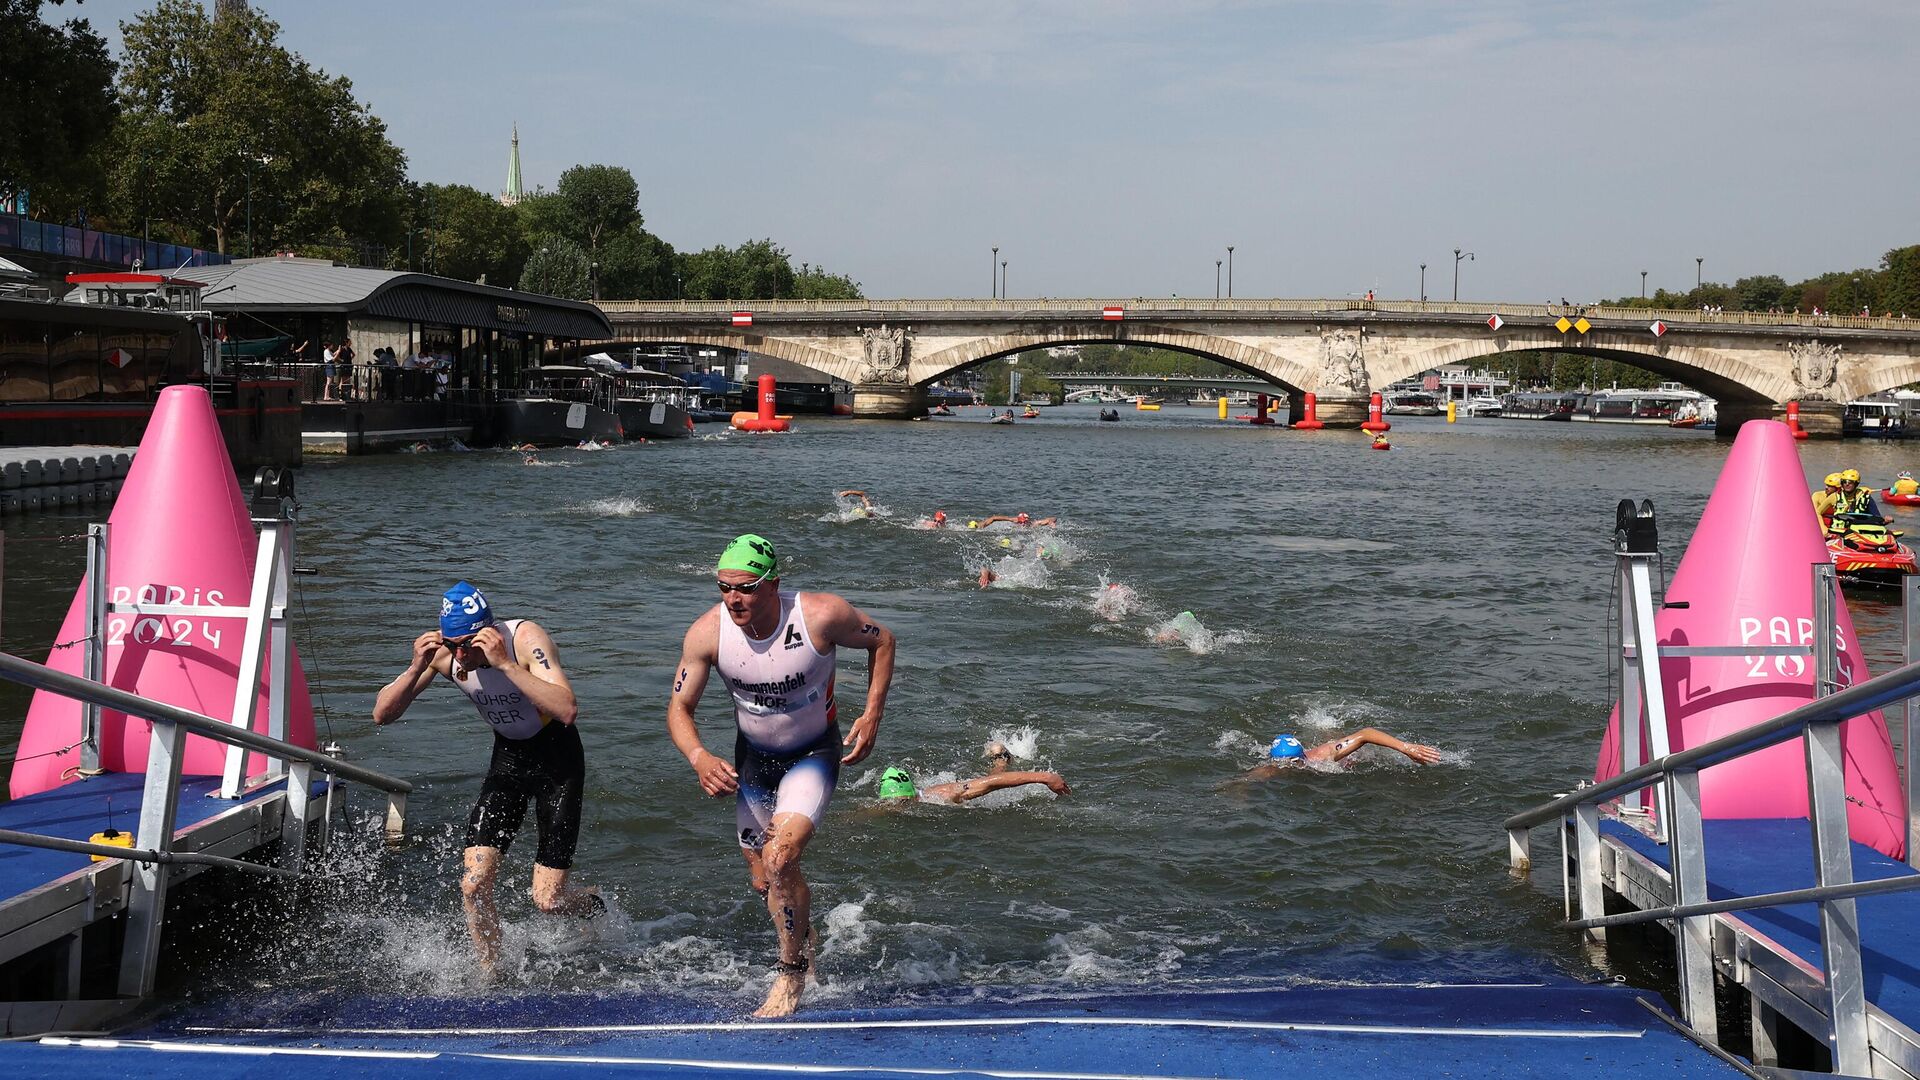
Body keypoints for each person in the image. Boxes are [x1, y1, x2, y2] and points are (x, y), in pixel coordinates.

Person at [666, 534, 897, 1017]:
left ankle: (790, 976)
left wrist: (872, 713)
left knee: (781, 856)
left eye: (746, 587)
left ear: (774, 584)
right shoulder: (707, 633)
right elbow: (679, 708)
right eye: (724, 587)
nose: (733, 598)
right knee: (764, 879)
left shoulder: (820, 615)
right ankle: (804, 935)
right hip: (753, 762)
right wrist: (699, 757)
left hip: (813, 751)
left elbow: (882, 640)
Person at [371, 582, 600, 978]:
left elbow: (567, 709)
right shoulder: (446, 655)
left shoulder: (525, 639)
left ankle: (595, 904)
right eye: (451, 643)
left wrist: (506, 665)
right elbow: (382, 715)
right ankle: (492, 972)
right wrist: (414, 667)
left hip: (558, 763)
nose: (460, 655)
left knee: (547, 900)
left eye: (468, 645)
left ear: (488, 633)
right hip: (508, 761)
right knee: (473, 885)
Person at [874, 744, 1071, 805]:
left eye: (901, 802)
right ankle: (999, 756)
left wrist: (1045, 777)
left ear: (911, 797)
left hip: (966, 794)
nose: (896, 807)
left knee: (990, 783)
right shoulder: (889, 804)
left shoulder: (944, 795)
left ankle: (1001, 757)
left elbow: (992, 783)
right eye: (893, 803)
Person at [1237, 728, 1443, 781]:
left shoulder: (1321, 756)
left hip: (1338, 753)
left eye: (1295, 762)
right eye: (1284, 763)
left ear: (1302, 757)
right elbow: (1245, 780)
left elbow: (1366, 734)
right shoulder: (1271, 769)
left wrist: (1406, 748)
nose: (1290, 766)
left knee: (1346, 755)